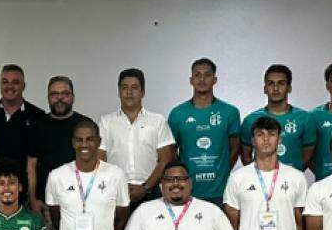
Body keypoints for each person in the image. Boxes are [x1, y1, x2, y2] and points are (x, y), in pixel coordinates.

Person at [27, 76, 87, 230]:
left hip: (79, 207)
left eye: (64, 93)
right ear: (48, 97)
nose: (59, 98)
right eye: (54, 94)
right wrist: (33, 199)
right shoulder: (38, 126)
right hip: (46, 206)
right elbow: (30, 166)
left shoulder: (84, 126)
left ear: (72, 96)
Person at [167, 58, 241, 205]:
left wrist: (223, 171)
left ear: (214, 79)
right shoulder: (177, 114)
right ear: (191, 80)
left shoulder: (229, 112)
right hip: (188, 191)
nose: (202, 79)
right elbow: (170, 152)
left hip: (220, 190)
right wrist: (182, 176)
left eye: (207, 75)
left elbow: (235, 147)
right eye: (197, 75)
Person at [98, 68, 176, 207]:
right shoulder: (106, 122)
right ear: (119, 92)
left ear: (143, 92)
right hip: (115, 192)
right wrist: (119, 186)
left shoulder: (158, 121)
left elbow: (165, 160)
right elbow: (100, 159)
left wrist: (145, 188)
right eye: (124, 87)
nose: (129, 92)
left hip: (151, 193)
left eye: (134, 87)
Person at [238, 65, 315, 170]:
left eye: (281, 83)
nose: (275, 88)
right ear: (265, 89)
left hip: (292, 182)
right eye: (270, 84)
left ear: (289, 88)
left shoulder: (305, 118)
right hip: (261, 183)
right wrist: (258, 176)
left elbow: (308, 155)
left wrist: (293, 175)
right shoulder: (250, 120)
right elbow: (245, 156)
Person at [0, 64, 45, 164]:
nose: (10, 86)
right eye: (5, 82)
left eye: (15, 82)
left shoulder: (38, 116)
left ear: (24, 86)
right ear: (0, 85)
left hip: (28, 178)